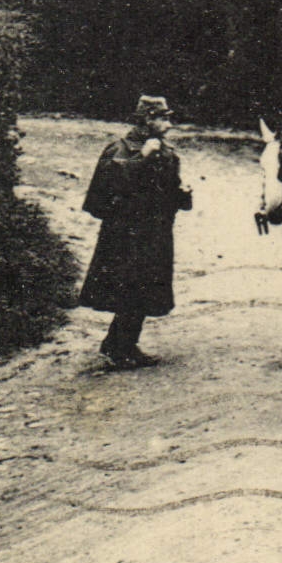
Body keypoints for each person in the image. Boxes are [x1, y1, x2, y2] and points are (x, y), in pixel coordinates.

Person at [78, 95, 193, 368]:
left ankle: (122, 344)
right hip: (125, 234)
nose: (168, 123)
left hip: (155, 232)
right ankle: (119, 347)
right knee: (129, 288)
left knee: (144, 289)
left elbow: (169, 192)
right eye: (162, 118)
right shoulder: (121, 149)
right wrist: (142, 157)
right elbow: (112, 185)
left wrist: (183, 195)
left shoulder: (166, 151)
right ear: (147, 119)